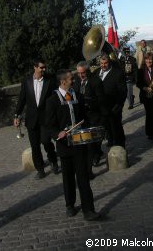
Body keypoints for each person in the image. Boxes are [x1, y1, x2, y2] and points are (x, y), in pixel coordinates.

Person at [45, 69, 100, 220]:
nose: (73, 80)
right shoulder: (52, 101)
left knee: (83, 177)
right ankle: (70, 204)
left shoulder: (78, 96)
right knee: (68, 178)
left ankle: (88, 210)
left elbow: (84, 117)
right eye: (70, 78)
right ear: (63, 81)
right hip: (64, 146)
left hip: (79, 144)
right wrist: (57, 134)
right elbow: (49, 126)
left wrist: (90, 129)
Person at [14, 59, 58, 179]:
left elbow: (55, 97)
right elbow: (22, 99)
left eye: (44, 67)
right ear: (35, 67)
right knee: (34, 146)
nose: (44, 69)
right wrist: (16, 115)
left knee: (46, 141)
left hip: (46, 118)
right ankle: (40, 169)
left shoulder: (50, 80)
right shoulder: (26, 81)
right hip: (32, 119)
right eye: (41, 67)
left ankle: (53, 161)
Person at [91, 53, 127, 148]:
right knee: (106, 129)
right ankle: (110, 145)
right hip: (101, 109)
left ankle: (120, 148)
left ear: (109, 62)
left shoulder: (117, 73)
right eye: (101, 63)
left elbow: (123, 91)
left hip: (114, 108)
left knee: (117, 129)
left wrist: (119, 105)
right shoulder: (96, 72)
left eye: (105, 63)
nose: (103, 65)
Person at [73, 61, 102, 177]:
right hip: (81, 117)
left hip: (93, 115)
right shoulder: (76, 81)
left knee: (91, 143)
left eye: (83, 73)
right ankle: (89, 166)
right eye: (79, 73)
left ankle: (91, 165)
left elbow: (101, 99)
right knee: (86, 143)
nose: (80, 76)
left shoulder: (96, 81)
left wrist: (90, 104)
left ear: (88, 71)